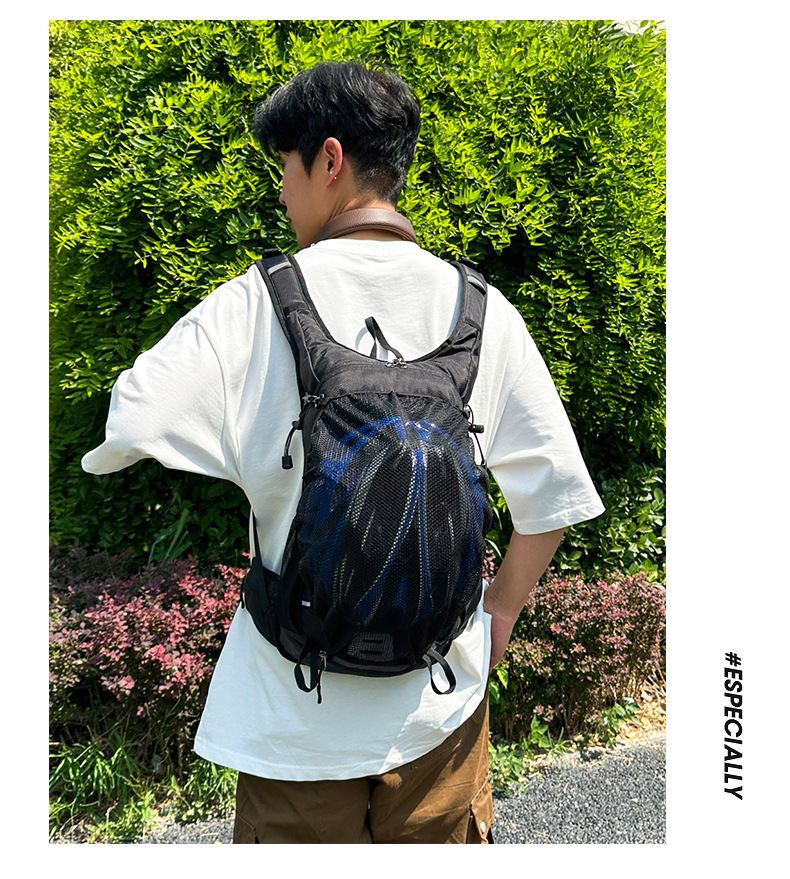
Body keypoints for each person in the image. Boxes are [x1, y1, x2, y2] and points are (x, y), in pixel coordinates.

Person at [81, 60, 604, 844]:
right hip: (440, 708)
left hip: (292, 717)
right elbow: (554, 499)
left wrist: (251, 450)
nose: (281, 194)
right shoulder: (483, 309)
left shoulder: (256, 301)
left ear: (329, 161)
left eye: (284, 169)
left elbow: (130, 418)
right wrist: (498, 612)